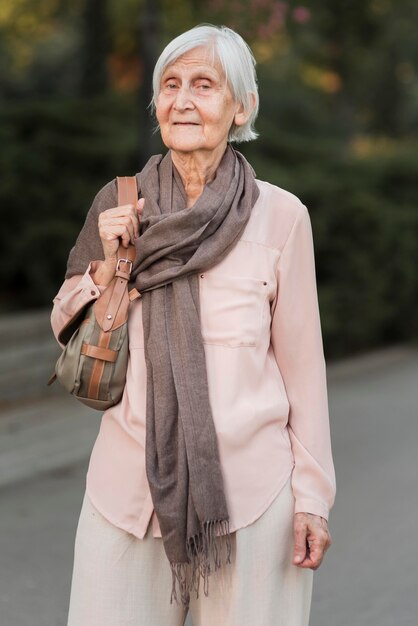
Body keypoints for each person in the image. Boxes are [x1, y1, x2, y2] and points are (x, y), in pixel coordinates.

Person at [51, 24, 336, 626]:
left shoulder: (282, 216)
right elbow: (63, 323)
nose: (183, 99)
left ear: (242, 107)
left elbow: (304, 370)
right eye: (170, 85)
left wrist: (312, 498)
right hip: (126, 491)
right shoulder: (121, 201)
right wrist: (108, 267)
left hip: (251, 498)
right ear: (155, 104)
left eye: (204, 85)